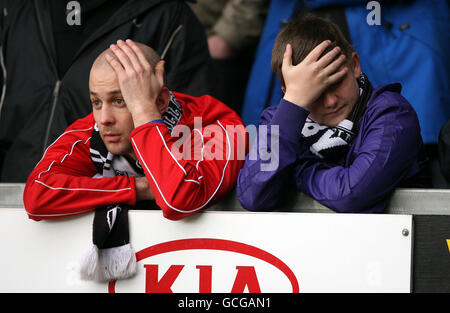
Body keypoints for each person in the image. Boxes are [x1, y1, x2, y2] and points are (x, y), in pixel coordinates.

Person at [23, 40, 245, 221]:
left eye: (120, 100)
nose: (104, 119)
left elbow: (178, 201)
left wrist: (145, 113)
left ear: (160, 102)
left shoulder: (214, 125)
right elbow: (37, 196)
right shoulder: (94, 128)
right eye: (96, 102)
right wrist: (139, 187)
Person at [0, 0, 216, 183]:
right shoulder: (14, 8)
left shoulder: (168, 16)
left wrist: (135, 190)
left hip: (124, 211)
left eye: (119, 100)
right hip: (13, 195)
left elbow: (191, 142)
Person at [236, 14, 430, 213]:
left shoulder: (392, 114)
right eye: (315, 94)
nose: (331, 101)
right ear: (290, 93)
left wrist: (298, 168)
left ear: (354, 65)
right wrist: (293, 106)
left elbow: (350, 195)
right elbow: (253, 195)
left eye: (336, 82)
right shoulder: (278, 120)